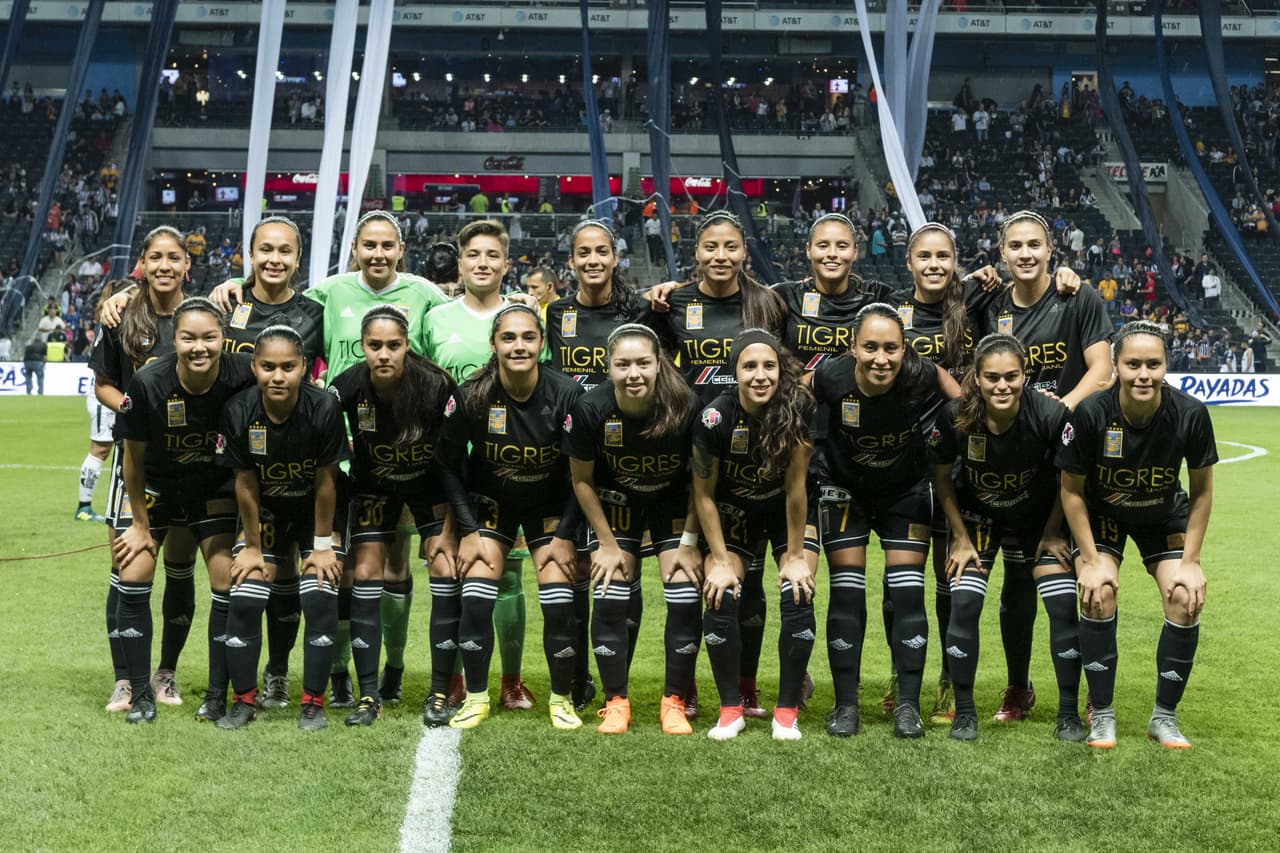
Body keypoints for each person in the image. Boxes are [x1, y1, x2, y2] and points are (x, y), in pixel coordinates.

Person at [646, 210, 788, 718]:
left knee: (747, 583)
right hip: (693, 450)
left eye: (731, 247)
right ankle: (684, 687)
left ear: (745, 251)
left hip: (752, 453)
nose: (721, 256)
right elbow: (653, 361)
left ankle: (745, 687)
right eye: (711, 247)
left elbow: (784, 369)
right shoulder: (674, 302)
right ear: (696, 252)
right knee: (693, 576)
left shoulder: (768, 303)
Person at [1057, 321, 1216, 749]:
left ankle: (1164, 718)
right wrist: (1090, 561)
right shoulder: (1092, 413)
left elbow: (1202, 492)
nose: (1143, 374)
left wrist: (1191, 562)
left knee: (1185, 597)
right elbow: (1071, 491)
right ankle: (1102, 715)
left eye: (1153, 364)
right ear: (1116, 366)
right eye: (1133, 365)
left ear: (1166, 365)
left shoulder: (1190, 414)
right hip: (1103, 513)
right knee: (1099, 592)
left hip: (1162, 514)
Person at [982, 210, 1112, 723]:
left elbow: (1102, 371)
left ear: (1051, 250)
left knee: (1084, 580)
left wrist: (1058, 412)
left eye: (1034, 244)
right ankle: (1018, 688)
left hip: (1070, 462)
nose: (1025, 254)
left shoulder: (1078, 297)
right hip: (1015, 465)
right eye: (1015, 246)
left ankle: (1091, 691)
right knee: (1017, 585)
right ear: (1002, 253)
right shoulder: (990, 303)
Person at [808, 304, 959, 738]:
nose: (881, 358)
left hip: (904, 493)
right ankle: (845, 704)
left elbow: (960, 399)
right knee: (846, 593)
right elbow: (793, 395)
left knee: (908, 594)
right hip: (845, 490)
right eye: (870, 347)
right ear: (853, 348)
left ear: (904, 349)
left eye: (891, 348)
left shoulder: (919, 373)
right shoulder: (831, 376)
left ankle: (908, 706)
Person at [930, 334, 1085, 742]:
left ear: (1024, 376)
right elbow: (941, 478)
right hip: (977, 518)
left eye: (1011, 377)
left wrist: (1052, 532)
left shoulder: (1050, 415)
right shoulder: (956, 415)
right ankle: (965, 713)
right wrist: (959, 538)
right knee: (965, 601)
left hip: (1037, 521)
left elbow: (1069, 480)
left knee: (1061, 604)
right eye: (992, 377)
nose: (1002, 386)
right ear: (977, 378)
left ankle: (1068, 714)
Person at [110, 297, 255, 723]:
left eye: (209, 337)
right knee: (133, 571)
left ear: (223, 338)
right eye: (188, 338)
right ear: (173, 340)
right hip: (156, 487)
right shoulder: (148, 382)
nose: (199, 347)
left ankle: (216, 695)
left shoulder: (243, 375)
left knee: (226, 580)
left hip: (212, 487)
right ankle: (140, 694)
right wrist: (139, 524)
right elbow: (132, 459)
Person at [328, 306, 465, 727]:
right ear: (362, 346)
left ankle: (439, 692)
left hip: (430, 486)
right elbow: (325, 449)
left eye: (393, 345)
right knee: (366, 573)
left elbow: (456, 461)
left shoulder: (436, 385)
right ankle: (369, 696)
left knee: (445, 569)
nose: (384, 354)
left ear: (407, 345)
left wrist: (452, 529)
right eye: (375, 345)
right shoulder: (345, 387)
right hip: (374, 486)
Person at [448, 304, 583, 730]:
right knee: (475, 598)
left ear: (542, 344)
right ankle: (476, 698)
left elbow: (583, 475)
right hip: (492, 503)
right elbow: (447, 466)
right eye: (508, 338)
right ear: (493, 344)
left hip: (549, 506)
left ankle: (562, 700)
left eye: (528, 337)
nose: (518, 346)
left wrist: (565, 534)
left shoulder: (568, 394)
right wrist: (467, 530)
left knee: (560, 603)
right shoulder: (471, 394)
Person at [424, 219, 539, 712]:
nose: (483, 263)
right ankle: (453, 678)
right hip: (448, 466)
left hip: (504, 468)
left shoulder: (523, 316)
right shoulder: (434, 319)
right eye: (473, 254)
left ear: (506, 264)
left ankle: (511, 680)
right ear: (460, 261)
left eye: (493, 255)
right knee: (449, 570)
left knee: (508, 575)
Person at [567, 324, 701, 734]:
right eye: (622, 365)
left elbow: (702, 481)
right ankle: (616, 702)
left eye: (643, 363)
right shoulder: (591, 408)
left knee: (685, 594)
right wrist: (606, 545)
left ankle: (674, 702)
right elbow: (581, 481)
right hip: (616, 503)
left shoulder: (685, 404)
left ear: (659, 364)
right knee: (610, 593)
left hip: (672, 503)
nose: (634, 374)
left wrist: (689, 542)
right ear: (608, 367)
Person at [218, 322, 347, 730]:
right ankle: (243, 701)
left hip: (315, 514)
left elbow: (327, 480)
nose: (278, 376)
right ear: (254, 367)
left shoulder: (324, 407)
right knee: (245, 594)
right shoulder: (238, 410)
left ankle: (313, 704)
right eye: (268, 366)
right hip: (267, 514)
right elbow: (245, 482)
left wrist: (322, 546)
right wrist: (252, 547)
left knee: (320, 594)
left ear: (304, 367)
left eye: (288, 367)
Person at [90, 227, 197, 715]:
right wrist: (135, 411)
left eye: (174, 257)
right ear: (143, 264)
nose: (165, 266)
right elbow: (104, 385)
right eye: (156, 257)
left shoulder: (202, 316)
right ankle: (124, 680)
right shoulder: (120, 316)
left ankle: (165, 672)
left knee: (180, 567)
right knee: (126, 567)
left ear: (187, 265)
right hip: (135, 461)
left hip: (190, 464)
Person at [692, 329, 817, 741]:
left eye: (769, 366)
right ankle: (731, 710)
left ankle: (786, 711)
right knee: (721, 592)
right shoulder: (714, 417)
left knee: (798, 589)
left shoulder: (799, 407)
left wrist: (794, 556)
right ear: (735, 372)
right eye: (749, 366)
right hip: (734, 513)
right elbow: (704, 495)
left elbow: (796, 488)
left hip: (785, 512)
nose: (760, 376)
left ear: (780, 370)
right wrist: (720, 560)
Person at [544, 220, 644, 710]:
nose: (592, 261)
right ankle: (580, 676)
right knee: (578, 569)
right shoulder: (556, 313)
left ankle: (615, 680)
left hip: (625, 455)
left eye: (601, 251)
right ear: (571, 261)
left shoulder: (638, 310)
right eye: (583, 253)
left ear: (615, 257)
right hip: (572, 454)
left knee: (624, 566)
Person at [76, 281, 127, 523]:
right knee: (100, 450)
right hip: (104, 397)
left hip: (115, 394)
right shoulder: (112, 321)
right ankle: (83, 507)